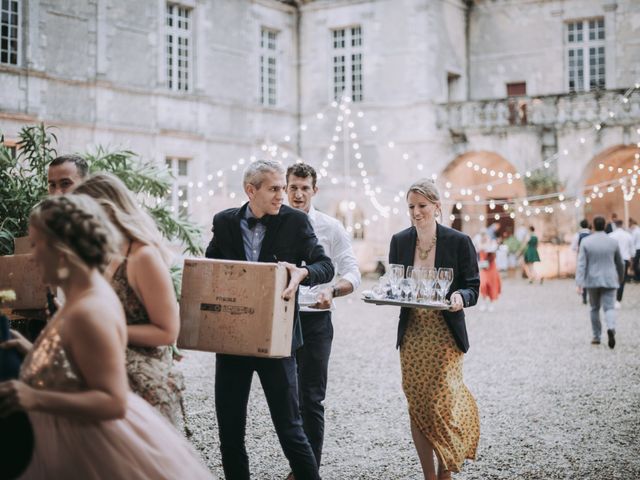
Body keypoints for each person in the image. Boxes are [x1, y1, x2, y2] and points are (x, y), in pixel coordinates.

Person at [0, 194, 213, 479]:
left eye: (38, 245)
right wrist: (35, 353)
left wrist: (34, 398)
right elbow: (77, 363)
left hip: (91, 446)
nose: (33, 255)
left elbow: (112, 401)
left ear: (62, 250)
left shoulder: (90, 309)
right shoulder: (84, 290)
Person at [205, 160, 334, 480]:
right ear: (251, 191)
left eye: (283, 188)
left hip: (278, 339)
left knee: (290, 430)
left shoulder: (295, 222)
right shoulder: (223, 223)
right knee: (230, 431)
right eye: (275, 189)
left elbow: (325, 265)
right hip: (232, 340)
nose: (283, 195)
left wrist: (304, 272)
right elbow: (211, 266)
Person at [73, 173, 184, 426]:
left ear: (109, 211)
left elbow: (167, 332)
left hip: (140, 385)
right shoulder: (107, 254)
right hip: (107, 376)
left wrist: (106, 329)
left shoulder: (143, 256)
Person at [388, 178, 480, 480]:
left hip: (444, 333)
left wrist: (459, 297)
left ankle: (445, 471)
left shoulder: (459, 241)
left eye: (422, 206)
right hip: (412, 332)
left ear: (437, 207)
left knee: (442, 401)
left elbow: (473, 287)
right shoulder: (399, 241)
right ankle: (429, 475)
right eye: (411, 206)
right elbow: (395, 284)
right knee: (417, 402)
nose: (416, 212)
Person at [285, 163, 361, 473]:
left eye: (305, 188)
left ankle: (307, 472)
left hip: (316, 320)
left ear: (315, 191)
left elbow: (353, 273)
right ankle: (298, 465)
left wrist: (332, 291)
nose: (299, 194)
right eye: (293, 187)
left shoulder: (331, 227)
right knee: (286, 400)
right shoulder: (274, 224)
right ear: (286, 189)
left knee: (311, 399)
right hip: (280, 317)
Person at [576, 215, 624, 349]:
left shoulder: (586, 242)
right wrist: (620, 277)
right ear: (604, 225)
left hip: (592, 280)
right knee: (609, 307)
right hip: (610, 279)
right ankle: (611, 327)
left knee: (594, 308)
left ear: (593, 226)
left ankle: (596, 336)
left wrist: (579, 282)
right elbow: (620, 263)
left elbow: (581, 264)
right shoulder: (612, 242)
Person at [608, 219, 634, 308]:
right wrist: (631, 260)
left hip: (613, 260)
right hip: (625, 259)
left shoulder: (611, 236)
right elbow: (632, 251)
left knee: (613, 278)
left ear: (615, 225)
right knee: (622, 280)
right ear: (622, 224)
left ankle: (612, 297)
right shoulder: (628, 236)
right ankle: (618, 300)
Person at [477, 230, 501, 311]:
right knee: (483, 285)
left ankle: (491, 303)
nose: (484, 237)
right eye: (482, 235)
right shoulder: (479, 243)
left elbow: (494, 253)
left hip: (491, 268)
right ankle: (483, 303)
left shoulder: (492, 243)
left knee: (492, 285)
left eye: (485, 235)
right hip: (483, 268)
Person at [571, 219, 592, 304]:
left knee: (582, 276)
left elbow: (573, 247)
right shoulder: (592, 235)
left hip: (581, 257)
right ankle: (591, 296)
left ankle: (584, 296)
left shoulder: (577, 235)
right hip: (591, 257)